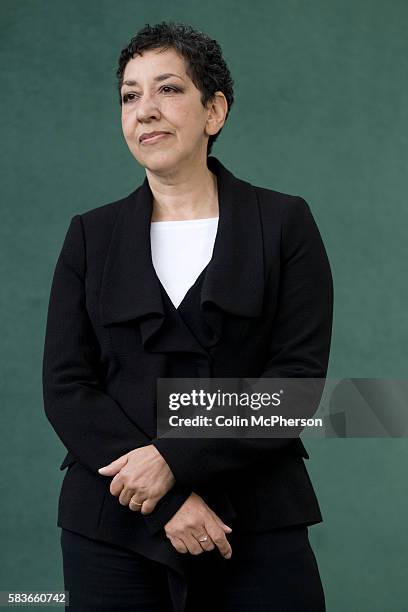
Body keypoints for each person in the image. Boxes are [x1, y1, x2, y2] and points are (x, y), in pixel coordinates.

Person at [42, 21, 333, 612]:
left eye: (168, 89)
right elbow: (67, 387)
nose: (145, 110)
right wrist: (166, 499)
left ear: (215, 110)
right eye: (130, 95)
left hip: (255, 519)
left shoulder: (283, 223)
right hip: (112, 526)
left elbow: (296, 388)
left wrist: (175, 458)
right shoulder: (89, 236)